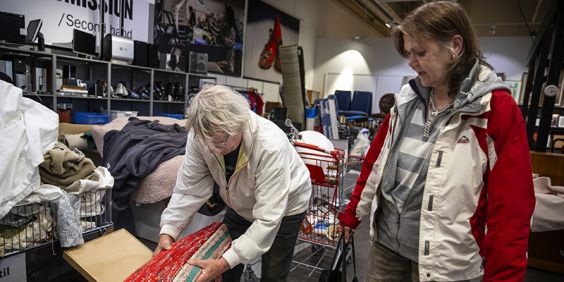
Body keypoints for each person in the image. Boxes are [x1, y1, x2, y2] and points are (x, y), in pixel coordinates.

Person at [338, 2, 535, 281]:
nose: (411, 62)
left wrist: (504, 274)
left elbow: (512, 206)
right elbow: (376, 161)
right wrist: (353, 212)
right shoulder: (407, 99)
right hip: (386, 249)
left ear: (455, 46)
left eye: (420, 52)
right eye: (409, 53)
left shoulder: (494, 109)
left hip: (445, 262)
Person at [154, 85, 312, 282]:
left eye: (220, 142)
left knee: (272, 274)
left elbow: (267, 219)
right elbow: (189, 189)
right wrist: (168, 230)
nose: (214, 149)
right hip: (240, 202)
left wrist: (224, 262)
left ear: (238, 124)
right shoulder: (201, 135)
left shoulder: (269, 145)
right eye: (208, 143)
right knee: (221, 269)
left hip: (287, 205)